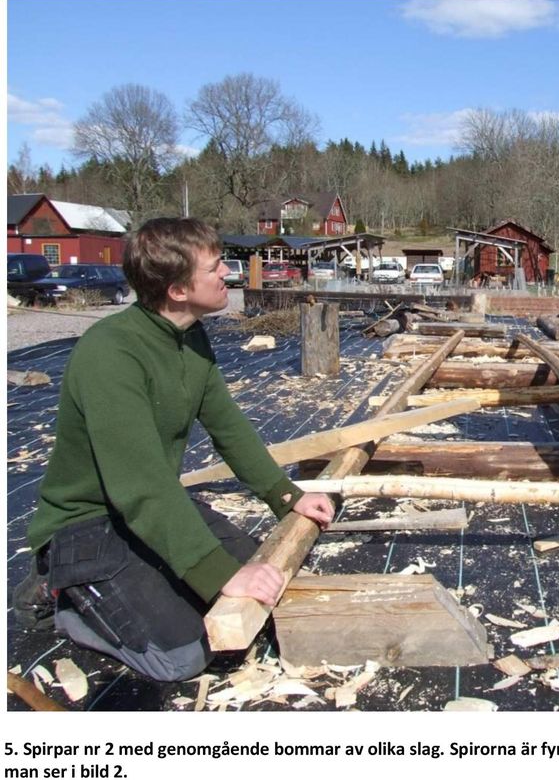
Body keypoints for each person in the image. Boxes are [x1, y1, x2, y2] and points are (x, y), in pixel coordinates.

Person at [14, 218, 335, 682]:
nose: (229, 273)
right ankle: (64, 597)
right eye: (216, 266)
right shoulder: (112, 353)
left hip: (146, 510)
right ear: (179, 290)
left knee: (262, 577)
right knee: (183, 655)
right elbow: (139, 484)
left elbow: (228, 426)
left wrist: (287, 495)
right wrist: (217, 573)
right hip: (88, 524)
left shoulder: (191, 338)